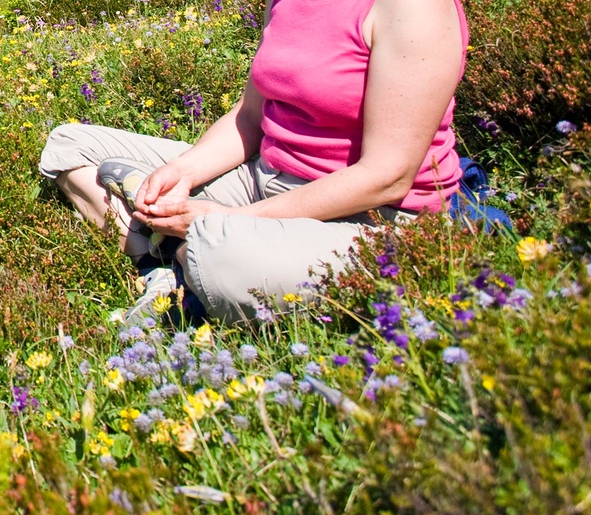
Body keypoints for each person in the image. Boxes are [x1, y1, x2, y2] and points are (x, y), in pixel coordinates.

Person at [39, 0, 468, 324]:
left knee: (223, 257)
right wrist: (183, 170)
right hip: (265, 179)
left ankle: (189, 250)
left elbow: (387, 177)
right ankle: (160, 268)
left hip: (371, 218)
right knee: (69, 145)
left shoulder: (414, 10)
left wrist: (237, 218)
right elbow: (250, 117)